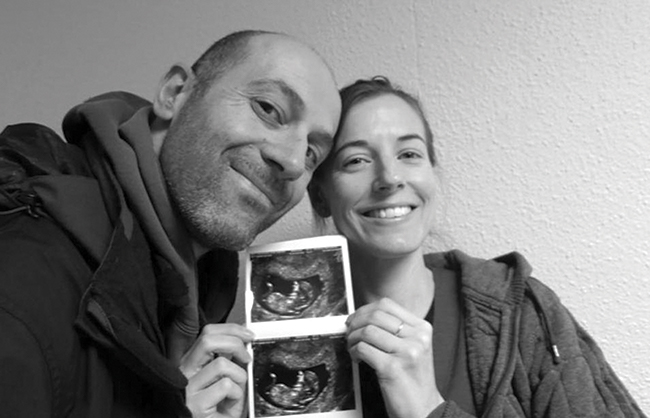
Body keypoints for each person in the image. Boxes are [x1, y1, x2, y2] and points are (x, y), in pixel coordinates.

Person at [0, 30, 341, 418]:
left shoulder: (197, 296)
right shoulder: (21, 279)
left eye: (312, 153)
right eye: (267, 108)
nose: (294, 163)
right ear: (175, 93)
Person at [307, 76, 646, 418]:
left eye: (409, 154)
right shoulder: (277, 333)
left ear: (432, 174)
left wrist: (429, 410)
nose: (390, 179)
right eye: (356, 161)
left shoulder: (520, 311)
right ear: (320, 196)